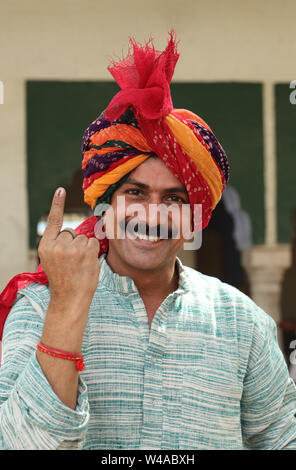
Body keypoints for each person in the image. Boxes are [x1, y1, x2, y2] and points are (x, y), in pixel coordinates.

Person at [0, 32, 296, 450]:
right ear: (106, 206)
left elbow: (283, 439)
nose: (152, 215)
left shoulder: (241, 323)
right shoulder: (38, 307)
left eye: (173, 198)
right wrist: (66, 308)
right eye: (135, 193)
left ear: (195, 214)